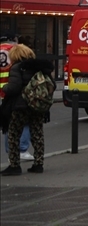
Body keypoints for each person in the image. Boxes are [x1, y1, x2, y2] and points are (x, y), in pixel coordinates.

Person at [1, 45, 52, 175]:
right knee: (37, 134)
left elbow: (14, 87)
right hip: (38, 106)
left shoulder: (17, 68)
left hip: (20, 106)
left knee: (13, 134)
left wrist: (5, 87)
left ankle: (14, 165)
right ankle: (38, 164)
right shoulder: (40, 67)